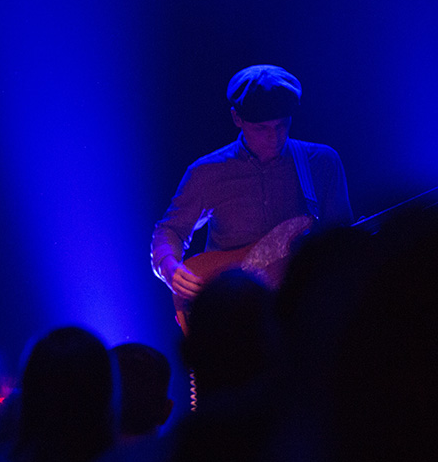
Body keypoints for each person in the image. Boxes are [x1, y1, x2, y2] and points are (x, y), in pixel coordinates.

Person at [151, 65, 352, 303]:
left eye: (282, 125)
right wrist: (169, 267)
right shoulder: (206, 172)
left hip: (303, 301)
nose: (274, 136)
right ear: (237, 118)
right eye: (261, 128)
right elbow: (170, 229)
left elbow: (343, 240)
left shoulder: (322, 162)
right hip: (234, 308)